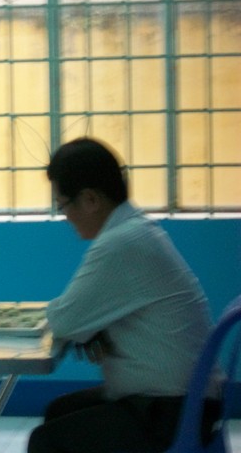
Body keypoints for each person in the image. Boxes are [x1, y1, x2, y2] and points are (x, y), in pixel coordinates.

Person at [27, 138, 220, 453]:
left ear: (90, 199)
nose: (65, 217)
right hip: (189, 400)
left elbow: (64, 321)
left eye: (63, 205)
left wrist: (84, 326)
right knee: (59, 412)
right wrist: (90, 327)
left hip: (172, 410)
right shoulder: (138, 229)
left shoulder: (120, 243)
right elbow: (80, 317)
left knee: (46, 441)